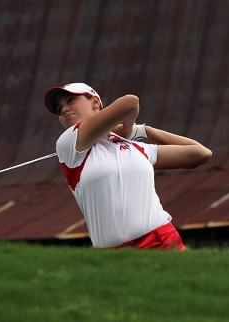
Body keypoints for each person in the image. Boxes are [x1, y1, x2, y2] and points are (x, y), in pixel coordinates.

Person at [44, 83, 212, 250]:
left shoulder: (136, 147)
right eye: (59, 109)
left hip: (161, 241)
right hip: (112, 255)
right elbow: (129, 106)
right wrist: (125, 127)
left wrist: (144, 131)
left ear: (95, 102)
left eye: (71, 100)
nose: (64, 110)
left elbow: (201, 153)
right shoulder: (68, 143)